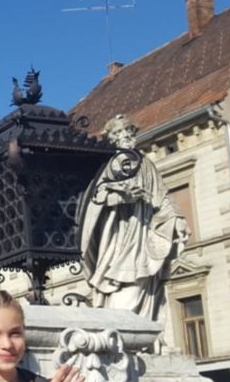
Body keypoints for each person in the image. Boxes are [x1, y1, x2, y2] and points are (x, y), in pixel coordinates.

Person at [79, 114, 188, 321]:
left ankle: (144, 336)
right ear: (111, 137)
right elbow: (94, 201)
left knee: (143, 282)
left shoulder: (146, 165)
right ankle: (126, 330)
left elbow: (161, 196)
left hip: (142, 232)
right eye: (119, 132)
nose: (125, 136)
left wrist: (177, 218)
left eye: (128, 131)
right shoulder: (106, 164)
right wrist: (121, 196)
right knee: (121, 284)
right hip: (116, 237)